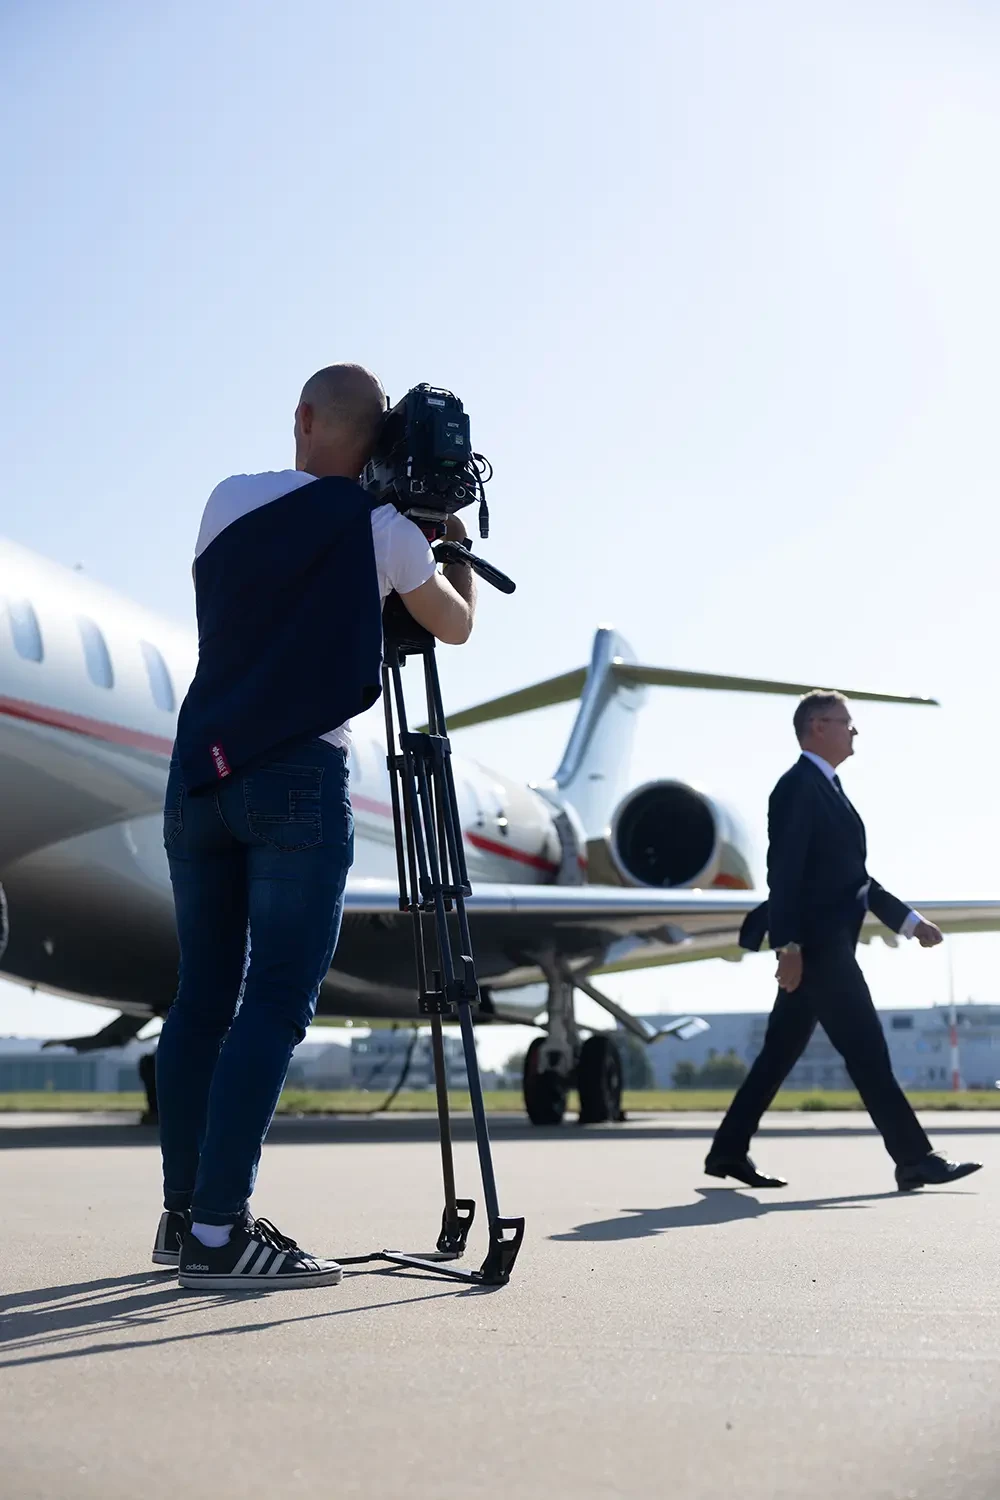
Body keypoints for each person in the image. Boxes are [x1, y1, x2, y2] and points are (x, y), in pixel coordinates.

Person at [150, 363, 476, 1290]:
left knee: (201, 1002)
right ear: (379, 445)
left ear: (301, 419)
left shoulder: (227, 502)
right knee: (277, 1001)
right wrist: (445, 541)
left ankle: (184, 1218)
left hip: (198, 774)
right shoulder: (378, 531)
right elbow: (451, 627)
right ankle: (222, 1232)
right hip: (296, 777)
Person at [704, 690, 982, 1192]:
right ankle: (915, 1158)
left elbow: (856, 880)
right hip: (819, 951)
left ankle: (728, 1150)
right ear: (817, 727)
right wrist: (788, 947)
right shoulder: (796, 788)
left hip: (822, 948)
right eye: (845, 722)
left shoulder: (827, 788)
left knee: (777, 1055)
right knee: (868, 1053)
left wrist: (911, 922)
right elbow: (783, 874)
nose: (854, 732)